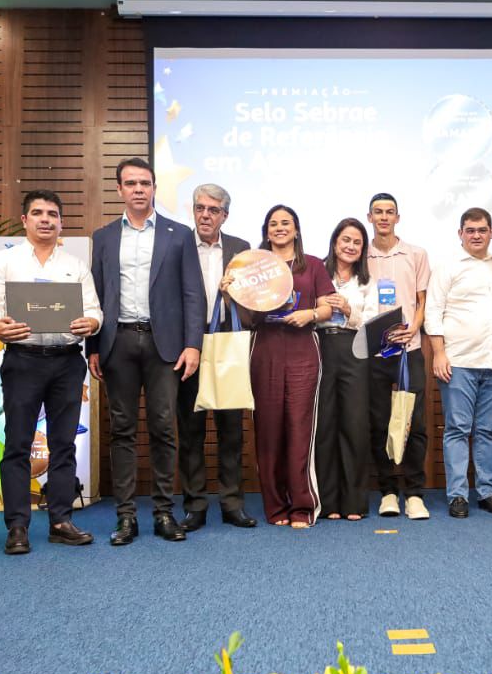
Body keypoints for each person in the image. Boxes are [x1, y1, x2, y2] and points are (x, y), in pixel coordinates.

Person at [0, 189, 102, 555]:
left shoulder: (74, 264)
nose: (45, 219)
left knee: (64, 444)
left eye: (52, 213)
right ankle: (17, 526)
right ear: (25, 220)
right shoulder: (4, 261)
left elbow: (96, 310)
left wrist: (89, 323)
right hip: (23, 359)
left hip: (67, 359)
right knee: (17, 444)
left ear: (61, 222)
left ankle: (61, 521)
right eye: (38, 213)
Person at [87, 158, 205, 545]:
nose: (139, 189)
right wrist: (93, 347)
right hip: (117, 342)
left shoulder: (179, 234)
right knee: (122, 430)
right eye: (131, 183)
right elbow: (96, 294)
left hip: (164, 344)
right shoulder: (103, 236)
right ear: (119, 190)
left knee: (163, 428)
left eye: (145, 183)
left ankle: (163, 513)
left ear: (154, 188)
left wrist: (193, 345)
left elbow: (193, 294)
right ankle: (125, 517)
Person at [234, 204, 334, 528]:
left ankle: (303, 506)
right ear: (266, 231)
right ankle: (276, 507)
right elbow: (249, 320)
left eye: (286, 223)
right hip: (265, 350)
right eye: (273, 224)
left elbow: (328, 309)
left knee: (299, 428)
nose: (279, 228)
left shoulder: (314, 265)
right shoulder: (253, 267)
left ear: (296, 229)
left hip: (303, 349)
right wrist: (233, 294)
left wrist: (310, 314)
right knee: (268, 431)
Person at [174, 184, 258, 532]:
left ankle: (232, 503)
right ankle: (194, 505)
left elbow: (253, 305)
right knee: (191, 430)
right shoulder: (177, 245)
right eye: (199, 208)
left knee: (231, 430)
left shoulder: (241, 250)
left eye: (213, 210)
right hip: (187, 347)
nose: (205, 215)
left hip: (227, 344)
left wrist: (234, 296)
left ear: (225, 215)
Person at [426, 208, 492, 519]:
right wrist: (439, 352)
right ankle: (458, 495)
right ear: (460, 233)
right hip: (458, 361)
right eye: (470, 230)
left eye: (482, 229)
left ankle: (487, 491)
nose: (477, 235)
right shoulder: (448, 266)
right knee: (458, 429)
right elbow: (433, 311)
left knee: (488, 430)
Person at [365, 193, 432, 520]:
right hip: (376, 353)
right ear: (369, 217)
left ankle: (415, 493)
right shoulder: (361, 254)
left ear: (397, 217)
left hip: (410, 351)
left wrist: (414, 329)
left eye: (389, 212)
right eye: (378, 212)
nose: (384, 217)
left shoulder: (416, 254)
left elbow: (422, 301)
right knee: (379, 423)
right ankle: (389, 492)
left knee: (414, 423)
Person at [316, 218, 373, 520]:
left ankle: (354, 502)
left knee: (353, 424)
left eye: (357, 242)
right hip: (321, 347)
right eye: (345, 240)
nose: (350, 246)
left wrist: (350, 309)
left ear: (362, 249)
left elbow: (374, 321)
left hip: (355, 349)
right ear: (335, 242)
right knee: (324, 424)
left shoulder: (367, 281)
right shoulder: (317, 272)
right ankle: (327, 502)